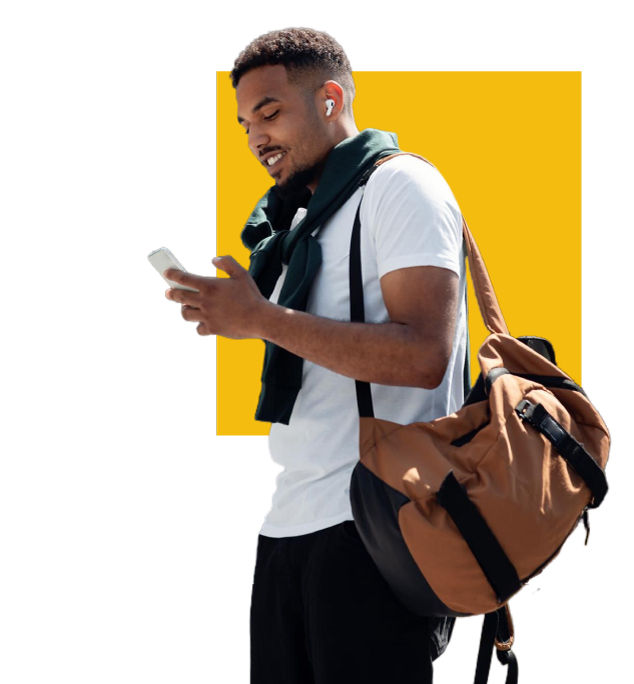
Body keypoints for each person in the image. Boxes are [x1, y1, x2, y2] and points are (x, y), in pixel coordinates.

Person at [164, 27, 468, 684]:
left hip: (377, 525)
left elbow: (425, 355)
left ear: (330, 98)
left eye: (270, 113)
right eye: (245, 123)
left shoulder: (401, 186)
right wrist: (253, 318)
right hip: (289, 527)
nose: (255, 138)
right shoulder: (299, 226)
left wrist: (264, 318)